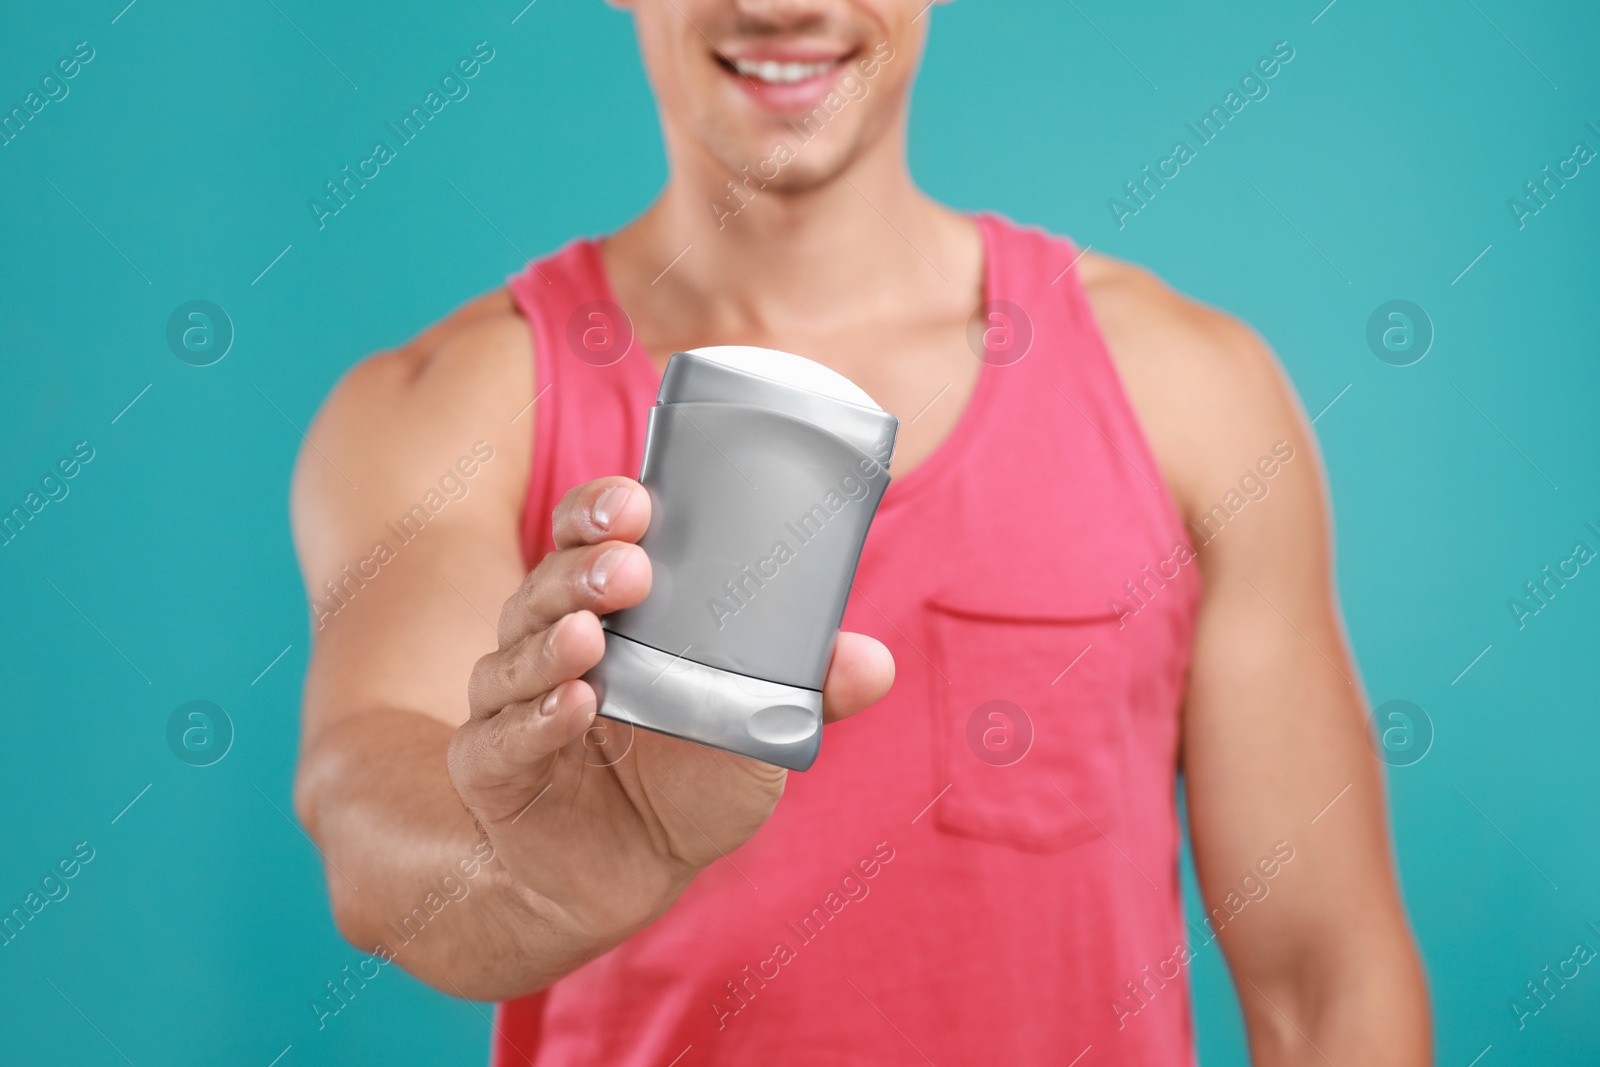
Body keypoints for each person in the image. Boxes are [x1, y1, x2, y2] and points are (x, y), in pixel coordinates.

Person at [290, 1, 1431, 1063]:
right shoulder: (446, 407)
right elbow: (366, 804)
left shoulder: (1191, 393)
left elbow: (1324, 983)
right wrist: (538, 881)